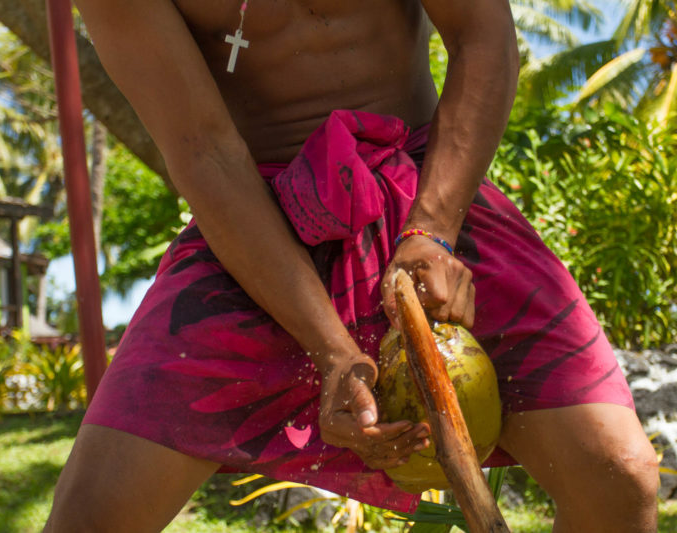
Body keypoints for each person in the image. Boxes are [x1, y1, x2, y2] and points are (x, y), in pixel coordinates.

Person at [45, 1, 659, 531]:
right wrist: (331, 349)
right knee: (90, 517)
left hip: (430, 188)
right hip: (255, 221)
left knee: (620, 478)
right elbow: (205, 151)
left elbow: (483, 34)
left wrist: (434, 230)